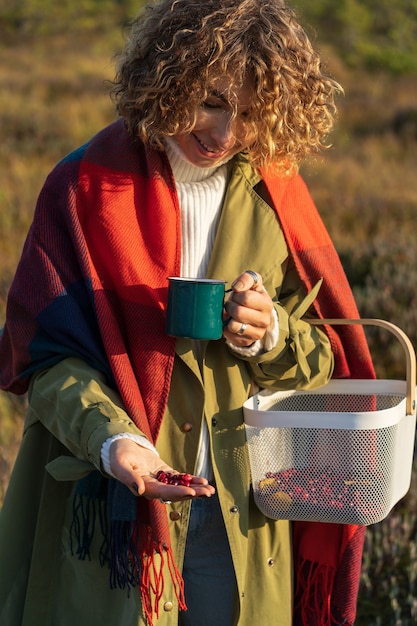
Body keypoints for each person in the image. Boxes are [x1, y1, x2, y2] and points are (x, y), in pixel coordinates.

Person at [0, 1, 375, 625]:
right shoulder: (82, 188)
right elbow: (43, 358)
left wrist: (272, 335)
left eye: (251, 115)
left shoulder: (275, 197)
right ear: (167, 76)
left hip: (245, 515)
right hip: (110, 513)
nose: (225, 135)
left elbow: (323, 360)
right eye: (211, 101)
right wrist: (114, 440)